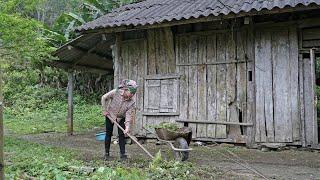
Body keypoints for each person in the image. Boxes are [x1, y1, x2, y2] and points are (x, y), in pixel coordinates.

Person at [101, 79, 137, 161]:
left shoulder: (132, 102)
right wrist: (104, 110)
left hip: (121, 117)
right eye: (131, 93)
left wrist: (127, 127)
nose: (132, 95)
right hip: (110, 114)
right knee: (108, 134)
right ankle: (106, 154)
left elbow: (128, 115)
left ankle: (123, 154)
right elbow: (104, 97)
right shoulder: (116, 92)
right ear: (126, 90)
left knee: (122, 135)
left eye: (133, 93)